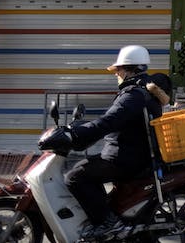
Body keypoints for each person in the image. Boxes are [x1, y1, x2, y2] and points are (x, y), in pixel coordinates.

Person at [61, 45, 165, 240]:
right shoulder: (143, 90)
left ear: (128, 69)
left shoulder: (133, 95)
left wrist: (79, 133)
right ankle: (104, 213)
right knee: (87, 168)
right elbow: (112, 120)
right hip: (129, 152)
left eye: (118, 69)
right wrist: (83, 129)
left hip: (126, 158)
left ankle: (108, 224)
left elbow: (109, 121)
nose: (116, 73)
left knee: (75, 176)